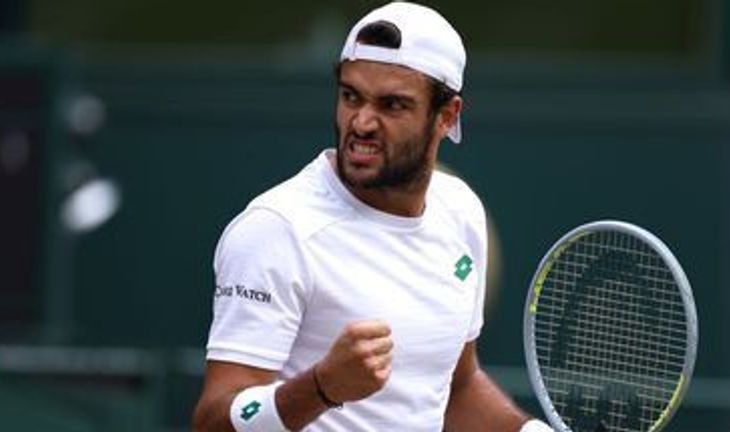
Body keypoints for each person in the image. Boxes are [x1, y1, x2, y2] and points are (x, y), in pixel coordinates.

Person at [192, 2, 553, 431]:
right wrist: (320, 387)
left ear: (446, 116)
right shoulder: (276, 229)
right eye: (351, 96)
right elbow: (213, 422)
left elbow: (457, 386)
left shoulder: (460, 212)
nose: (362, 123)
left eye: (392, 105)